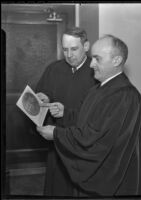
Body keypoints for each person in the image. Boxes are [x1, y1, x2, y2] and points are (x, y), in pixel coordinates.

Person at [37, 34, 141, 196]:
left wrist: (56, 133)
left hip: (110, 182)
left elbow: (94, 139)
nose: (91, 64)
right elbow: (87, 121)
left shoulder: (124, 95)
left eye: (97, 59)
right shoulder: (99, 89)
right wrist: (65, 113)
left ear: (116, 61)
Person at [35, 27, 98, 196]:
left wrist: (67, 112)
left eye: (74, 49)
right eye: (65, 49)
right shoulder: (53, 69)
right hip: (56, 140)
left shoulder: (98, 72)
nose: (69, 55)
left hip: (83, 144)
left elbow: (98, 115)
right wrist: (44, 98)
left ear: (86, 46)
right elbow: (43, 93)